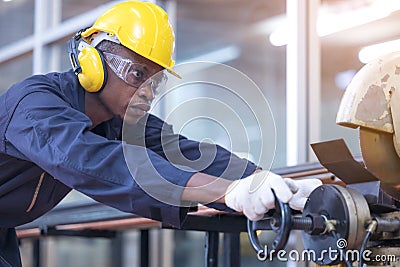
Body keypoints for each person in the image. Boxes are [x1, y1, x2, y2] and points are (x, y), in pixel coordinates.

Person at [0, 1, 322, 266]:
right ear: (93, 62)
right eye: (137, 73)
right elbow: (102, 165)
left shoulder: (119, 120)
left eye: (155, 82)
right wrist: (227, 191)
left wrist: (266, 184)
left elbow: (186, 153)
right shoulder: (35, 106)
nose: (147, 92)